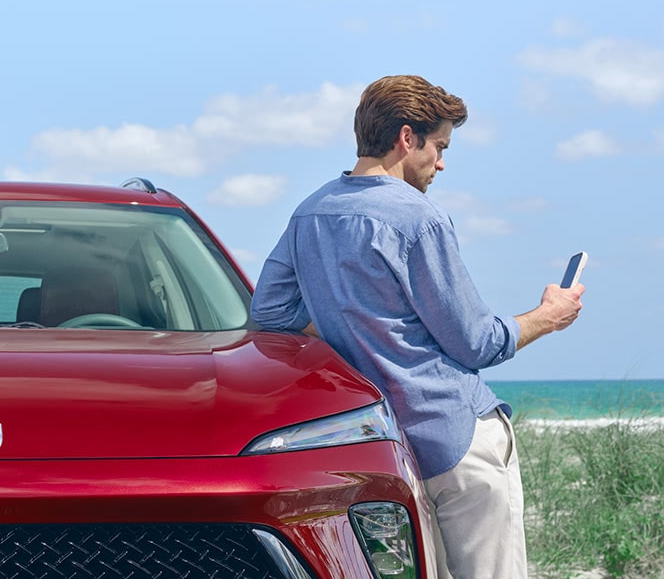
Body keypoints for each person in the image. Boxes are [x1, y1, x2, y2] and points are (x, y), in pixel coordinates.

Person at [250, 74, 584, 579]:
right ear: (408, 138)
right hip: (454, 439)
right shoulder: (417, 217)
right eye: (440, 146)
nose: (442, 163)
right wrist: (547, 317)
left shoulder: (310, 213)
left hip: (379, 446)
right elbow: (475, 342)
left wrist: (349, 319)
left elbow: (270, 315)